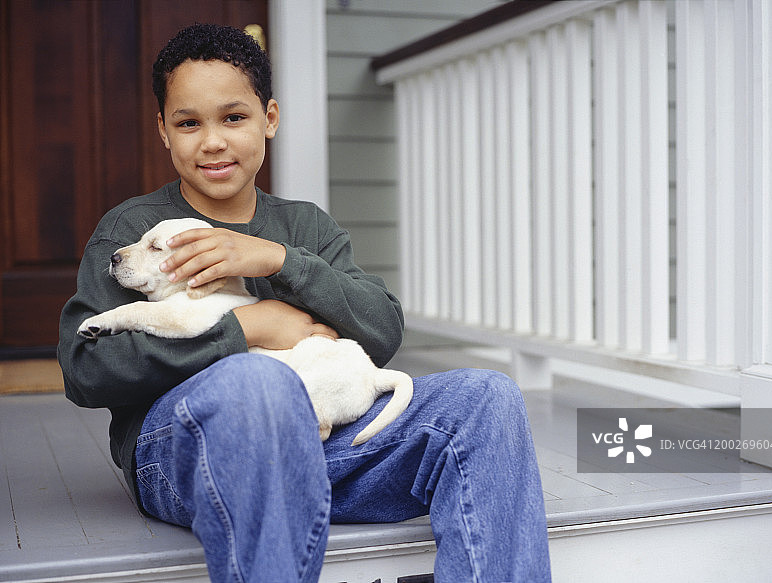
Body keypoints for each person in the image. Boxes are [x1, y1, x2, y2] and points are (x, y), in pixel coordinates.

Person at [57, 23, 551, 583]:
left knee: (487, 398)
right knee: (259, 384)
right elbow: (85, 371)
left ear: (269, 118)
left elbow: (382, 331)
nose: (213, 141)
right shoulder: (134, 230)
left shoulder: (303, 227)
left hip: (329, 448)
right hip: (186, 459)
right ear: (164, 132)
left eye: (233, 117)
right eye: (189, 123)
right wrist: (251, 327)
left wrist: (278, 262)